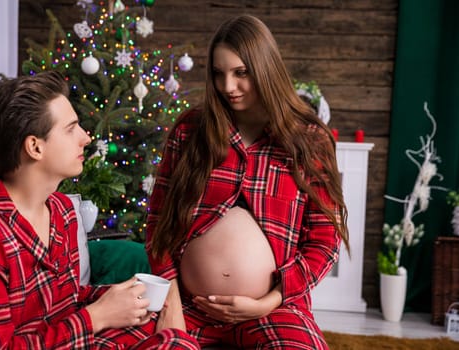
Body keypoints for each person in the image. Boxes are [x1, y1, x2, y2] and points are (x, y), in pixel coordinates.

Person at [0, 71, 200, 349]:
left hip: (70, 342)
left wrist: (120, 298)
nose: (86, 137)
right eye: (71, 128)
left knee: (172, 337)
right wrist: (96, 317)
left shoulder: (62, 210)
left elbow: (64, 303)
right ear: (35, 147)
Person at [146, 15, 349, 349]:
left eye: (241, 73)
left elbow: (325, 241)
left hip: (276, 309)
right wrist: (170, 304)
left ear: (266, 68)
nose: (227, 86)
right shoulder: (190, 130)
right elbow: (158, 222)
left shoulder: (308, 139)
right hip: (187, 307)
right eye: (218, 73)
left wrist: (268, 301)